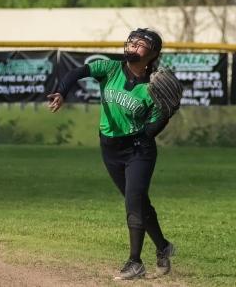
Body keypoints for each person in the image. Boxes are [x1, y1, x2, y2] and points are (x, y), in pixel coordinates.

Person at [47, 28, 176, 280]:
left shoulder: (155, 87)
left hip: (139, 149)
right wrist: (62, 91)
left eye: (140, 45)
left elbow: (152, 129)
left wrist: (165, 114)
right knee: (138, 202)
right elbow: (77, 72)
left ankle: (135, 263)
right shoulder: (111, 69)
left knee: (133, 201)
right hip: (110, 149)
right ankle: (163, 247)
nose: (132, 47)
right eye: (131, 42)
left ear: (153, 54)